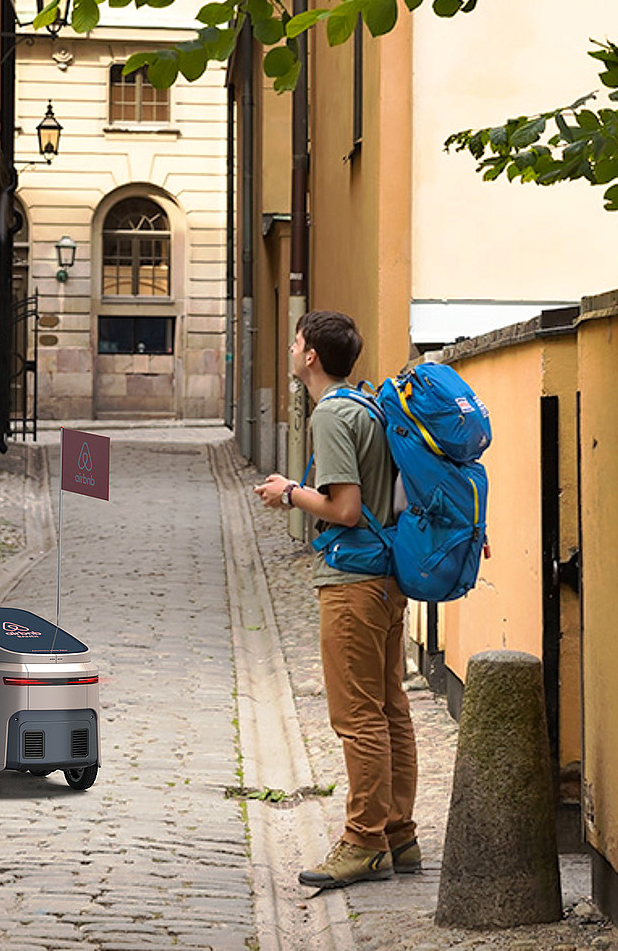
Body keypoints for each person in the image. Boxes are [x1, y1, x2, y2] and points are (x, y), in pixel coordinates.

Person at [253, 310, 418, 889]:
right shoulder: (368, 405)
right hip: (386, 577)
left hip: (352, 582)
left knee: (357, 716)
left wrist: (289, 492)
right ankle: (399, 832)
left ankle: (363, 841)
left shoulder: (331, 414)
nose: (292, 348)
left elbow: (345, 509)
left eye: (295, 340)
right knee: (390, 706)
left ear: (310, 357)